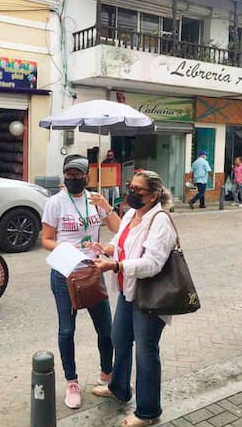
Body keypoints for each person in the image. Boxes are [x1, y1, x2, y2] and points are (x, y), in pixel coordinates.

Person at [88, 170, 178, 427]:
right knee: (119, 338)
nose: (132, 193)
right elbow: (119, 243)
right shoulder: (130, 215)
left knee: (146, 352)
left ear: (153, 195)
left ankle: (148, 412)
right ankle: (119, 388)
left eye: (139, 190)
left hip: (149, 297)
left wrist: (115, 265)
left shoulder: (160, 220)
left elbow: (153, 263)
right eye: (131, 186)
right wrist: (104, 249)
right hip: (128, 292)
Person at [41, 155, 121, 409]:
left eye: (78, 174)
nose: (73, 178)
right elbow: (46, 240)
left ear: (87, 176)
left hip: (92, 271)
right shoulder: (55, 203)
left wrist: (106, 206)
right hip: (65, 272)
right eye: (69, 174)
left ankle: (107, 375)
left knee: (106, 330)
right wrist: (68, 248)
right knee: (67, 330)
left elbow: (119, 230)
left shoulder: (95, 201)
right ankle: (72, 381)